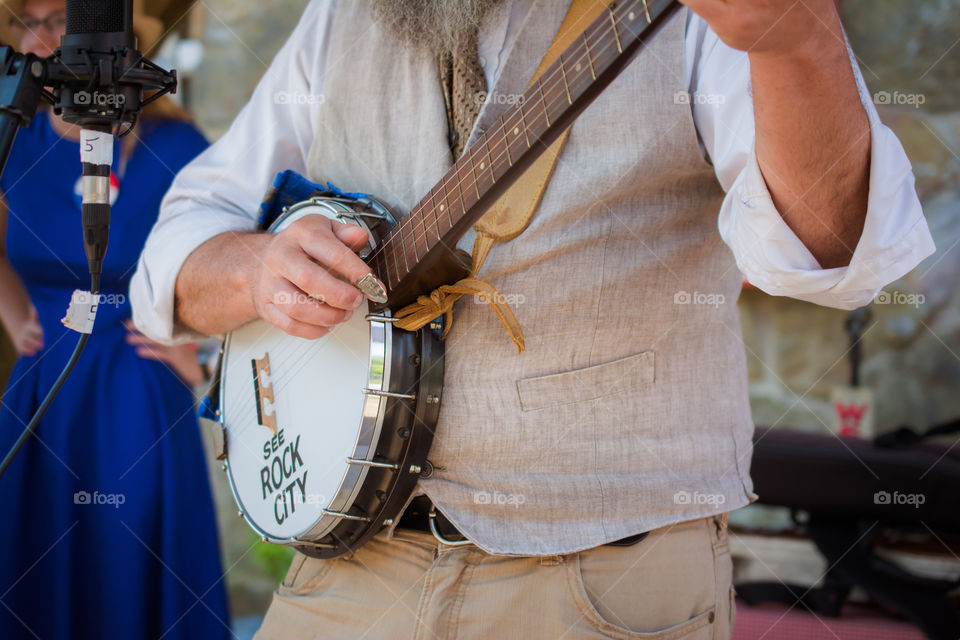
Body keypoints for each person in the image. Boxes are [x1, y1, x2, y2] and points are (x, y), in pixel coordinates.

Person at [132, 0, 936, 637]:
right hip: (347, 574)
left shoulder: (696, 24)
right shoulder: (343, 15)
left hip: (601, 589)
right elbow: (178, 251)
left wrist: (799, 44)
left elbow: (833, 258)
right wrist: (256, 270)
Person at [0, 1, 230, 638]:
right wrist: (17, 315)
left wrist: (199, 353)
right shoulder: (15, 136)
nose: (44, 35)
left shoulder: (176, 145)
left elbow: (229, 256)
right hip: (43, 385)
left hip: (135, 386)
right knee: (34, 565)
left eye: (61, 18)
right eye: (28, 20)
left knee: (128, 565)